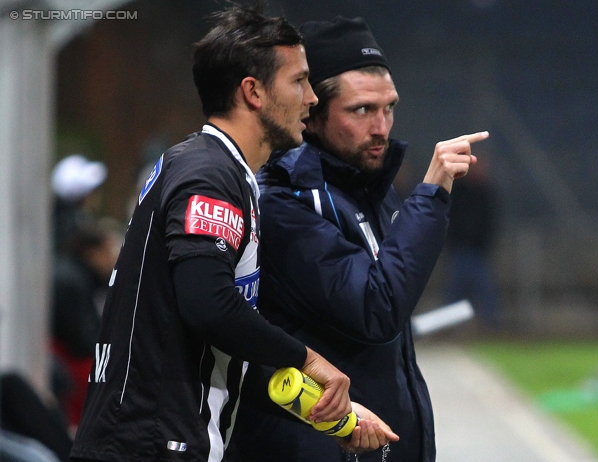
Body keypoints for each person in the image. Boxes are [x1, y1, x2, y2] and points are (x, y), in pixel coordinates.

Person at [69, 6, 395, 462]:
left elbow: (216, 347)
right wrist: (308, 359)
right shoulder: (209, 175)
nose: (311, 98)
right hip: (151, 446)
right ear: (253, 92)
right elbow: (208, 303)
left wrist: (329, 415)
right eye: (298, 81)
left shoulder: (217, 169)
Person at [227, 16, 489, 462]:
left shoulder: (373, 191)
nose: (382, 127)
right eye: (362, 110)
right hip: (313, 447)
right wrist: (432, 192)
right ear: (312, 115)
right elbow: (377, 309)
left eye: (389, 107)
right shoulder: (284, 203)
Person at [50, 218, 122, 429]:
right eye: (111, 252)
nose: (115, 259)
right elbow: (82, 341)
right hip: (70, 363)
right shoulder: (71, 280)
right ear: (94, 253)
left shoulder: (80, 277)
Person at [444, 157, 502, 329]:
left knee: (486, 292)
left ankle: (490, 326)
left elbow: (490, 221)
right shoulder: (459, 192)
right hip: (460, 249)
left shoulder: (486, 193)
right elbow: (451, 218)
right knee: (454, 292)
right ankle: (450, 326)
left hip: (478, 251)